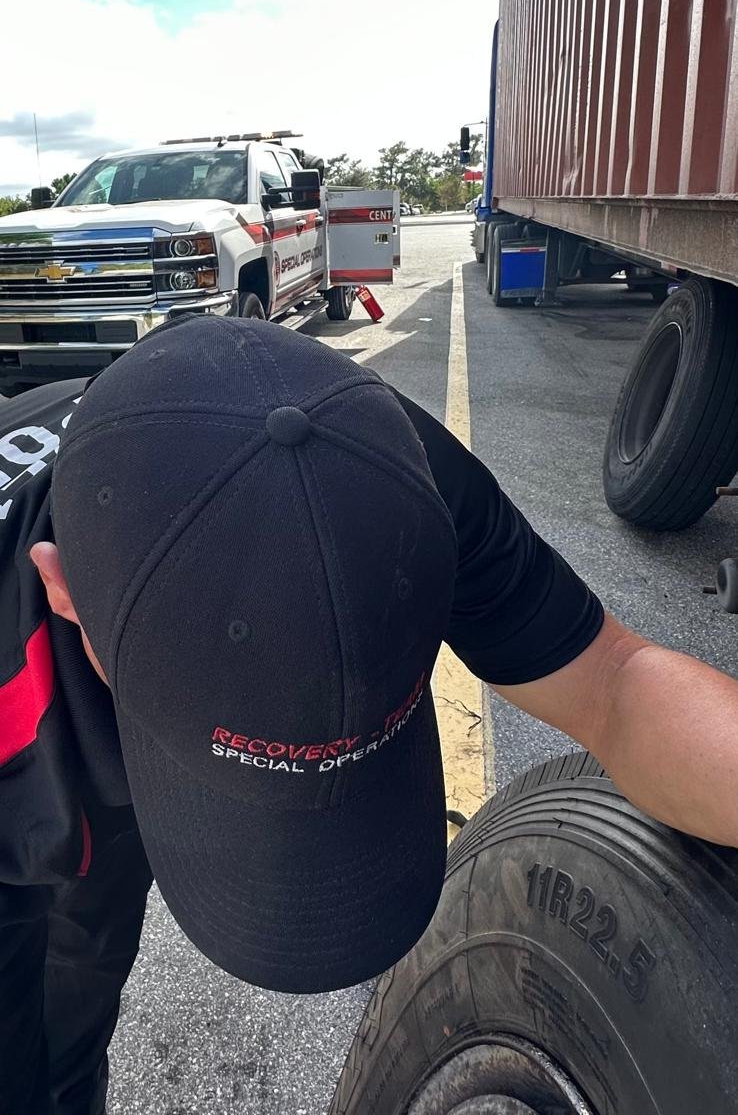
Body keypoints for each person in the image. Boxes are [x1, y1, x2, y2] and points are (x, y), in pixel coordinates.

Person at [1, 314, 737, 1115]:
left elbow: (615, 680)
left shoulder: (379, 465)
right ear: (63, 590)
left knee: (80, 989)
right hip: (31, 744)